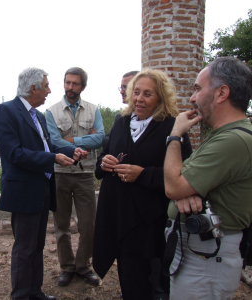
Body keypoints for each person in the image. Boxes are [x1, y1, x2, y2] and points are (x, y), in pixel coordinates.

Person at [93, 69, 193, 300]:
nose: (139, 98)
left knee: (149, 277)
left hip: (148, 217)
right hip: (118, 211)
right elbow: (106, 155)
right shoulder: (121, 122)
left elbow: (185, 174)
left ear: (161, 98)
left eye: (148, 94)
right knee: (129, 274)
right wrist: (104, 162)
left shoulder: (171, 127)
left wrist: (144, 174)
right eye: (136, 92)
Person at [0, 67, 86, 300]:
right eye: (46, 86)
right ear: (32, 88)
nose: (50, 90)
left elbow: (48, 148)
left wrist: (70, 150)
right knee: (24, 248)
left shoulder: (39, 116)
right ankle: (22, 295)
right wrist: (52, 158)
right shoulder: (6, 111)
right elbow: (14, 153)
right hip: (24, 190)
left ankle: (35, 292)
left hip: (43, 188)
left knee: (37, 245)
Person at [164, 57, 252, 300]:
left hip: (207, 259)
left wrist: (175, 135)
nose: (192, 98)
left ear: (222, 93)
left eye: (198, 88)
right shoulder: (222, 135)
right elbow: (181, 183)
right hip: (202, 253)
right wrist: (187, 191)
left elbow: (173, 185)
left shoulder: (232, 140)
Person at [45, 67, 103, 286]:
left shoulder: (94, 110)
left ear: (83, 86)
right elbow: (53, 142)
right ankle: (67, 267)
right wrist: (82, 140)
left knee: (88, 224)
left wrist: (70, 141)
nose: (70, 87)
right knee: (61, 225)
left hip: (85, 174)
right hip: (59, 173)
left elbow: (100, 139)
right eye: (67, 82)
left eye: (75, 84)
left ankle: (83, 266)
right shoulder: (51, 111)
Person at [102, 71, 139, 147]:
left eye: (125, 87)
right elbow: (106, 141)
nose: (121, 91)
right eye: (121, 87)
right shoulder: (121, 115)